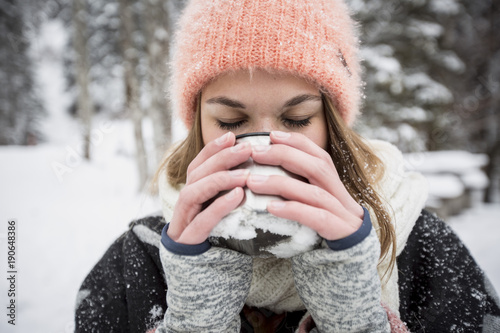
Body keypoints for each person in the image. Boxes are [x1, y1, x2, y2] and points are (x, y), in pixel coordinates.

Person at [74, 0, 500, 332]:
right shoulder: (141, 260)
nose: (263, 148)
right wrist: (194, 315)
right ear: (198, 125)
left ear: (333, 124)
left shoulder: (422, 250)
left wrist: (353, 310)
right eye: (231, 122)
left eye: (296, 120)